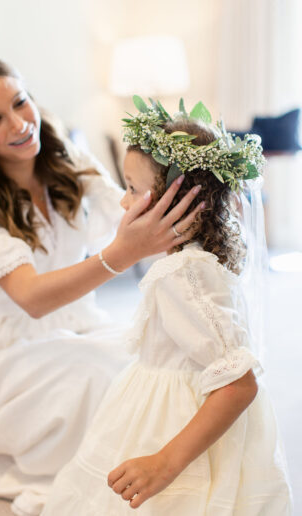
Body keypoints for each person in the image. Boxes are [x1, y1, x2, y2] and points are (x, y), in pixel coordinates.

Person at [0, 52, 203, 516]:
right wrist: (121, 255)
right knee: (97, 372)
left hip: (74, 320)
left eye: (20, 102)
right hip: (2, 349)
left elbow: (125, 205)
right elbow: (32, 299)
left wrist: (191, 208)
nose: (20, 124)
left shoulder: (64, 153)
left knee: (153, 365)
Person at [41, 97, 292, 515]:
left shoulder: (182, 274)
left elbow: (239, 383)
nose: (124, 203)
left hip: (179, 420)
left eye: (134, 190)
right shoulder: (194, 262)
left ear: (184, 201)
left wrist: (164, 462)